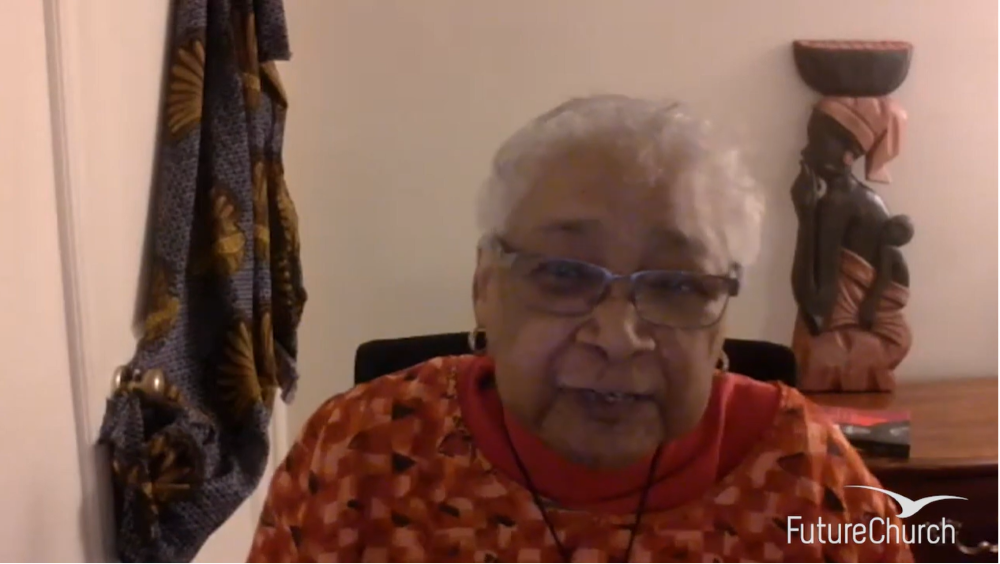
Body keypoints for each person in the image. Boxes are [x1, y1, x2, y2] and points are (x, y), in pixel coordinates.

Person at [247, 95, 912, 562]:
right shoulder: (360, 455)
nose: (618, 336)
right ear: (485, 287)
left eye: (678, 285)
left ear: (721, 322)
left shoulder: (811, 481)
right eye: (563, 275)